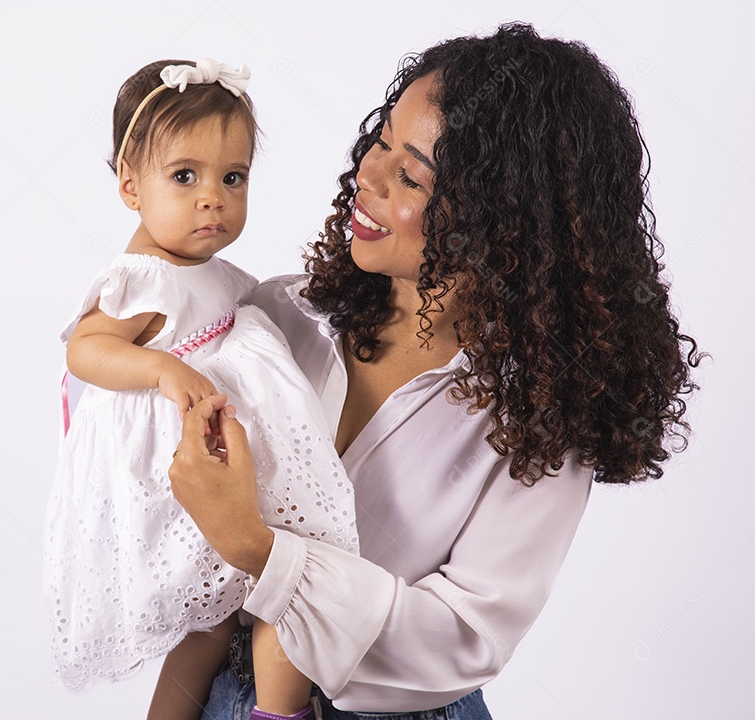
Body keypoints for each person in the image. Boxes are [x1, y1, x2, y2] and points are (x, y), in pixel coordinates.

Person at [168, 23, 706, 719]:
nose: (366, 175)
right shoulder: (280, 319)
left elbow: (461, 639)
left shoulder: (536, 417)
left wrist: (256, 547)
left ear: (496, 218)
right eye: (380, 143)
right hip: (228, 691)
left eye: (410, 175)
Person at [42, 58, 358, 720]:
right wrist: (162, 368)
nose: (212, 196)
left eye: (233, 177)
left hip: (231, 461)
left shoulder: (205, 268)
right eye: (184, 176)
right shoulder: (143, 278)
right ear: (131, 186)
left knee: (251, 605)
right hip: (187, 479)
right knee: (280, 589)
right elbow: (86, 348)